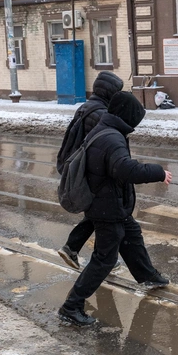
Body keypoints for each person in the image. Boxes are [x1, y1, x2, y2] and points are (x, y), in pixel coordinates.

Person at [58, 91, 172, 326]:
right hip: (106, 207)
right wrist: (158, 172)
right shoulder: (111, 138)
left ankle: (147, 275)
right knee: (105, 259)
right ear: (127, 116)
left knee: (131, 234)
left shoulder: (106, 130)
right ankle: (71, 306)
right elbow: (125, 169)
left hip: (110, 203)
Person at [56, 71, 124, 271]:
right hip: (93, 171)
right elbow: (103, 145)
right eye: (117, 92)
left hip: (84, 169)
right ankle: (102, 258)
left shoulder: (87, 107)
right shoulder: (100, 113)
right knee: (105, 215)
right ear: (109, 92)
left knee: (98, 215)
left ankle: (76, 248)